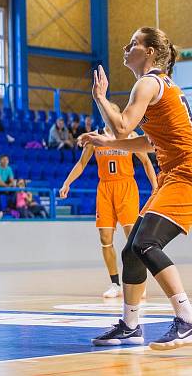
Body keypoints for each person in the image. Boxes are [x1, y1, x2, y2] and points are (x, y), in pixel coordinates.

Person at [82, 27, 192, 350]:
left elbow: (123, 125)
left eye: (133, 43)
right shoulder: (159, 86)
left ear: (149, 52)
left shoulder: (147, 83)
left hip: (186, 173)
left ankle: (186, 317)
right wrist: (111, 142)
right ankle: (131, 326)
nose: (126, 47)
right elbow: (150, 141)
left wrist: (100, 99)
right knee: (132, 249)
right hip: (173, 171)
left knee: (144, 244)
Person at [60, 116, 158, 298]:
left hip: (126, 186)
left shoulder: (129, 135)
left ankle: (139, 282)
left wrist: (155, 185)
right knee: (105, 237)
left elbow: (146, 161)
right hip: (105, 188)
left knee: (132, 238)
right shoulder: (95, 138)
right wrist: (67, 183)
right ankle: (115, 284)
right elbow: (81, 163)